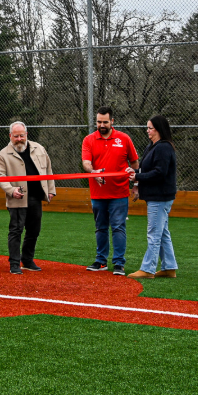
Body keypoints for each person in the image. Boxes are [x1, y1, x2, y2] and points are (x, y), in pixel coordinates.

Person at [81, 106, 139, 276]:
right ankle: (100, 261)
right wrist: (93, 172)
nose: (102, 125)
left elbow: (135, 163)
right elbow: (86, 162)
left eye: (105, 122)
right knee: (100, 227)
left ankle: (119, 263)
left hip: (119, 192)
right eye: (99, 122)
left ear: (112, 121)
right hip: (97, 193)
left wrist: (135, 181)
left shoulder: (124, 138)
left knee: (118, 227)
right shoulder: (88, 140)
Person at [0, 122, 56, 275]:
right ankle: (14, 263)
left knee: (34, 230)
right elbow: (0, 177)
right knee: (16, 230)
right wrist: (11, 190)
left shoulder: (39, 149)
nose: (19, 139)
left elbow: (48, 170)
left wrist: (50, 190)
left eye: (22, 135)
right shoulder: (3, 154)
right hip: (17, 198)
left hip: (36, 196)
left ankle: (27, 260)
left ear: (26, 134)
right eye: (15, 136)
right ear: (10, 136)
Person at [127, 115, 178, 280]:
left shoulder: (163, 148)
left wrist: (137, 178)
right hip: (156, 196)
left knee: (154, 233)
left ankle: (148, 269)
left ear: (158, 130)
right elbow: (144, 168)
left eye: (150, 128)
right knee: (162, 232)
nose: (148, 131)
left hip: (160, 196)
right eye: (147, 128)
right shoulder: (153, 146)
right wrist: (135, 174)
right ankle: (169, 267)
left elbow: (159, 173)